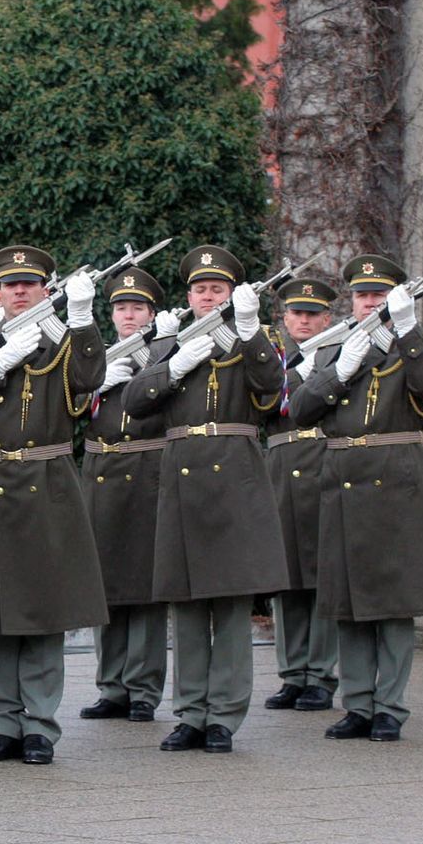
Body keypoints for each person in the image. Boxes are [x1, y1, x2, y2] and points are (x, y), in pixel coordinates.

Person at [0, 246, 107, 766]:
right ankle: (5, 723)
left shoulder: (62, 338)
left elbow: (90, 379)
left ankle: (39, 725)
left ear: (45, 289)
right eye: (10, 284)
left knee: (43, 609)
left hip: (45, 480)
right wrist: (0, 360)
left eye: (29, 284)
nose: (19, 291)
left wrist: (83, 319)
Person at [127, 245, 288, 753]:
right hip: (183, 480)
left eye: (217, 289)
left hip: (235, 477)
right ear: (190, 296)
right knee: (189, 606)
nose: (208, 297)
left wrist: (250, 329)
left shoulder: (252, 338)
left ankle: (224, 716)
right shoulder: (171, 342)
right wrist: (173, 365)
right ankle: (190, 713)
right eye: (200, 290)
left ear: (232, 294)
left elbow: (272, 388)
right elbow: (134, 403)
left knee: (232, 608)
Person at [288, 254, 423, 743]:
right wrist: (340, 370)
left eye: (378, 295)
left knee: (393, 601)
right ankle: (357, 705)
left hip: (394, 478)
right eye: (362, 295)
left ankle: (390, 706)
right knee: (348, 599)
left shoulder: (416, 347)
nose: (368, 302)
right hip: (342, 477)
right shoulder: (334, 350)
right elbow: (300, 410)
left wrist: (406, 328)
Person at [80, 266, 174, 723]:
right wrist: (93, 388)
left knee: (146, 588)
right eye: (121, 308)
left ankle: (143, 689)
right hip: (101, 471)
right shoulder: (96, 356)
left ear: (152, 313)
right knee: (107, 586)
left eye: (137, 308)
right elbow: (62, 409)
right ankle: (112, 686)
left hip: (147, 471)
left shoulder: (165, 353)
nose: (129, 315)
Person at [263, 278, 342, 712]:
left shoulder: (339, 353)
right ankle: (292, 674)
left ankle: (321, 674)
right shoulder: (271, 355)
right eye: (297, 313)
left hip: (323, 462)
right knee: (287, 576)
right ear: (285, 318)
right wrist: (296, 373)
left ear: (327, 319)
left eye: (313, 314)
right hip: (280, 465)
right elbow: (263, 401)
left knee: (321, 574)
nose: (304, 321)